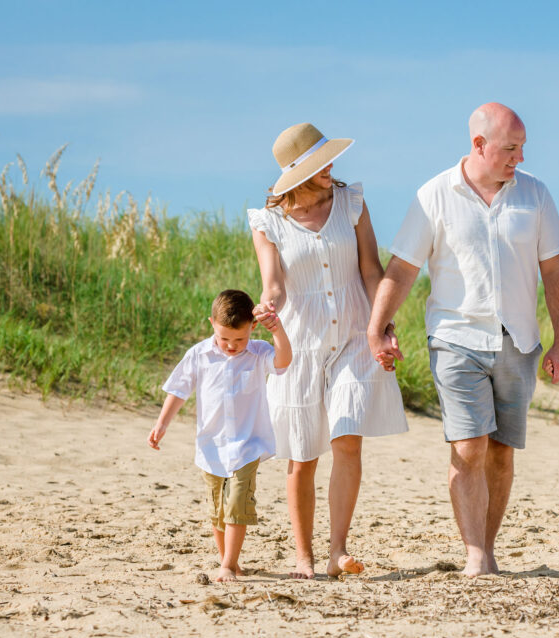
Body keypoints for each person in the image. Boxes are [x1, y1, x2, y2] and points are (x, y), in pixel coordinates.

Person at [367, 103, 559, 577]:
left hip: (518, 341)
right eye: (510, 148)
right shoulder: (434, 195)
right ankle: (474, 554)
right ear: (479, 144)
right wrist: (377, 326)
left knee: (501, 450)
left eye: (522, 148)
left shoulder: (535, 196)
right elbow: (402, 268)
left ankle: (488, 544)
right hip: (455, 336)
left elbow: (556, 270)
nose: (519, 158)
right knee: (469, 445)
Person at [247, 122, 408, 580]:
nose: (331, 167)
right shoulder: (269, 221)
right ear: (296, 173)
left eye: (329, 158)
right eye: (319, 164)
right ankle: (304, 556)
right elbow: (274, 286)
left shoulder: (351, 203)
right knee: (301, 456)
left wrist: (385, 325)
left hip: (356, 335)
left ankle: (338, 549)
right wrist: (267, 308)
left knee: (347, 439)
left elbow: (371, 270)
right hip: (300, 343)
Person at [148, 289, 292, 582]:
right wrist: (162, 423)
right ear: (211, 322)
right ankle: (229, 561)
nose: (231, 346)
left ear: (252, 327)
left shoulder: (260, 351)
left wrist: (277, 331)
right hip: (211, 446)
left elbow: (283, 361)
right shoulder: (199, 354)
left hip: (248, 446)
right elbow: (179, 390)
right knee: (218, 510)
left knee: (237, 504)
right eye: (225, 338)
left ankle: (228, 563)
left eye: (239, 339)